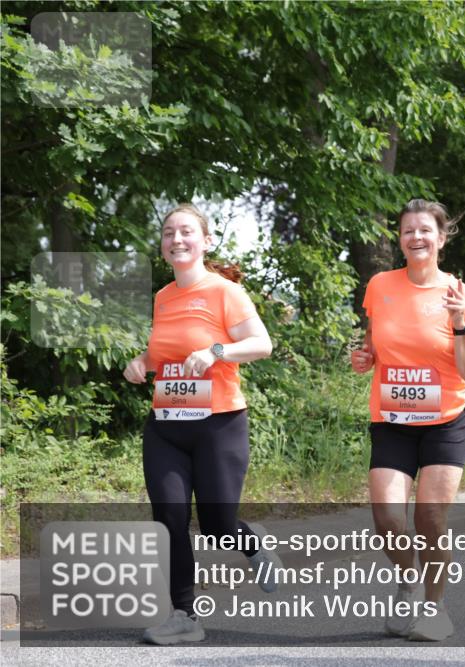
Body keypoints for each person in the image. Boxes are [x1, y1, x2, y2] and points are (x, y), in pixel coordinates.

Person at [123, 203, 282, 645]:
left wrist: (216, 351)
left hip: (219, 423)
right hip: (166, 424)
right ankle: (184, 615)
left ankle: (252, 542)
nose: (177, 239)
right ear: (163, 246)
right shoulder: (162, 297)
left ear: (206, 241)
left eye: (187, 232)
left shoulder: (224, 292)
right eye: (169, 233)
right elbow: (163, 353)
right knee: (169, 518)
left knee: (216, 525)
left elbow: (261, 344)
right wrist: (141, 362)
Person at [350, 199, 465, 642]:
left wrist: (460, 322)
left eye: (426, 230)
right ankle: (409, 580)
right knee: (388, 519)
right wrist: (364, 356)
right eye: (408, 231)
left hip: (446, 419)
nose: (417, 238)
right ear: (400, 240)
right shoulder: (380, 285)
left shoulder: (462, 295)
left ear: (441, 238)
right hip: (391, 419)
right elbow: (372, 343)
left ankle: (434, 605)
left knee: (429, 517)